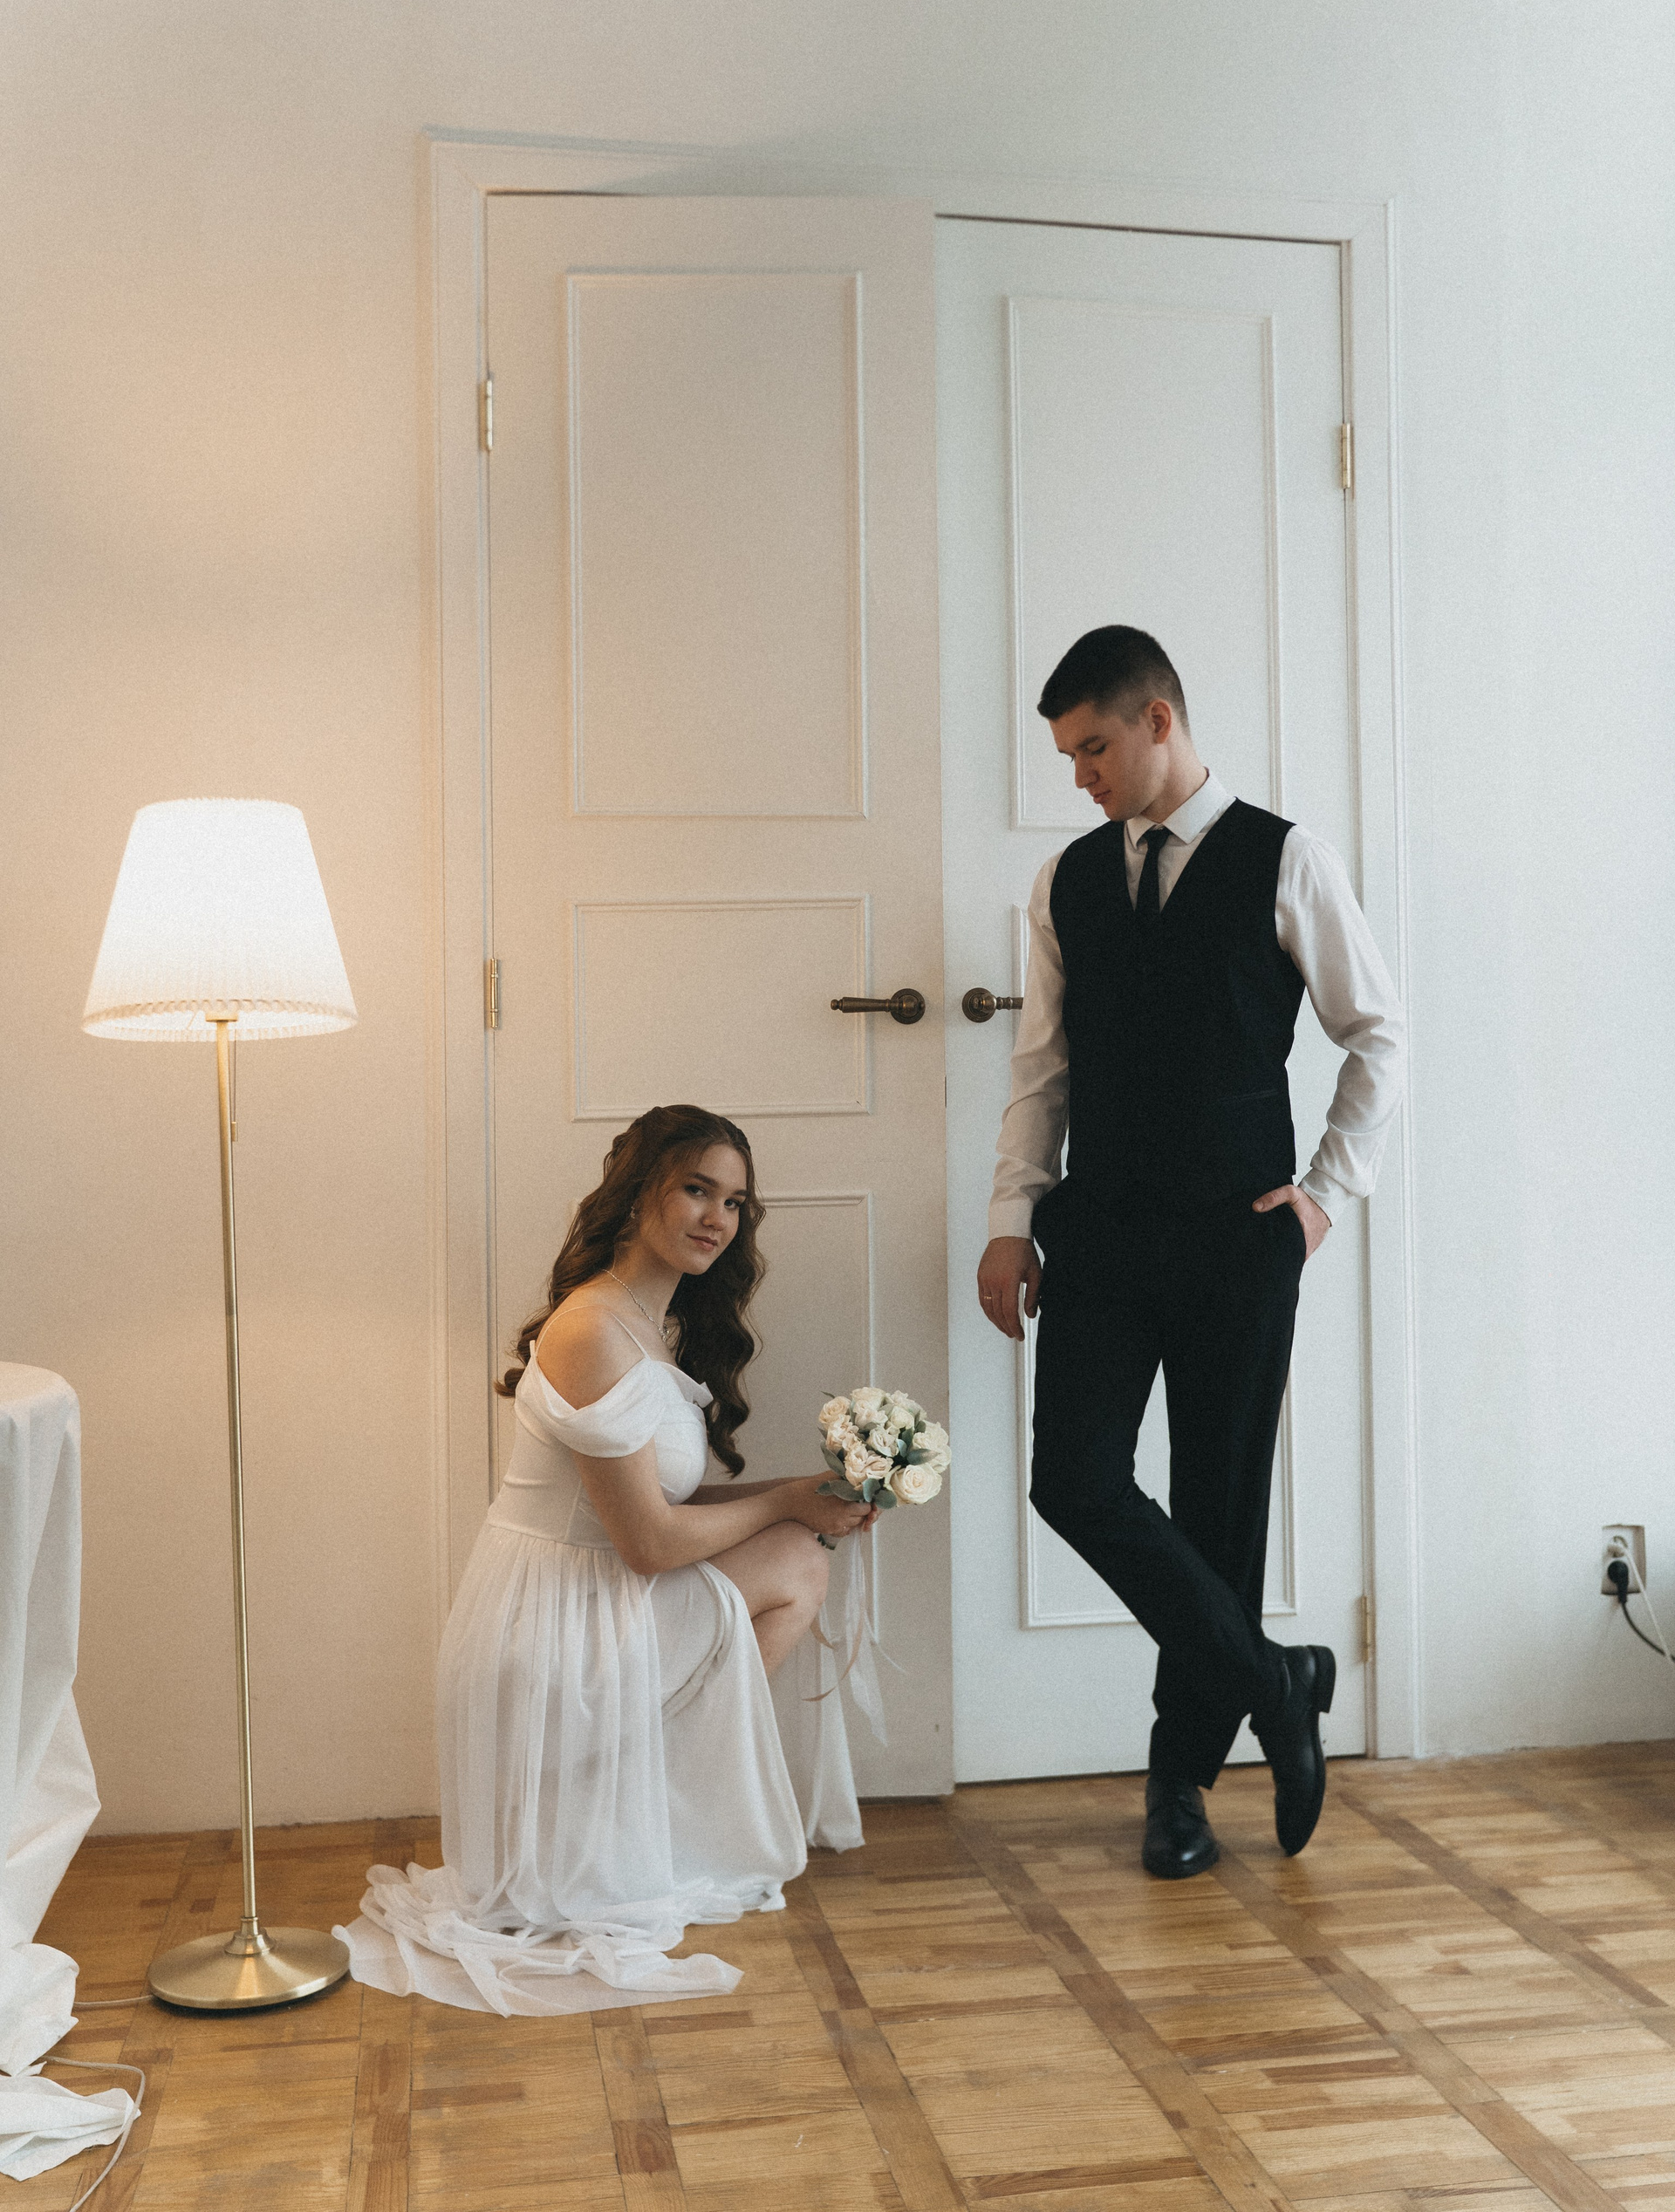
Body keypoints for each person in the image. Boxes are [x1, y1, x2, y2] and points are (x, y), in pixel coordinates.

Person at [977, 626, 1405, 1879]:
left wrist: (1324, 1195)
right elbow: (1042, 1067)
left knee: (1221, 1509)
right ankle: (1278, 1681)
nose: (1079, 776)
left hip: (1239, 1236)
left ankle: (1179, 1784)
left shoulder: (1287, 857)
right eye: (1068, 756)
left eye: (1093, 748)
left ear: (1158, 719)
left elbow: (1378, 1032)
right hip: (1102, 1230)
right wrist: (1011, 1216)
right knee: (1075, 1480)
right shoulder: (1066, 881)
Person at [337, 1104, 878, 2014]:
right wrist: (787, 1506)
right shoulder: (593, 1329)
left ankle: (628, 1805)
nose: (717, 1217)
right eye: (696, 1189)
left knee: (796, 1548)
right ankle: (634, 1804)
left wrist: (805, 1489)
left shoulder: (642, 1322)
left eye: (734, 1202)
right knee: (798, 1562)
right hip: (552, 1624)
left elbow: (655, 1513)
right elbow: (650, 1543)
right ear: (636, 1194)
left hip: (590, 1597)